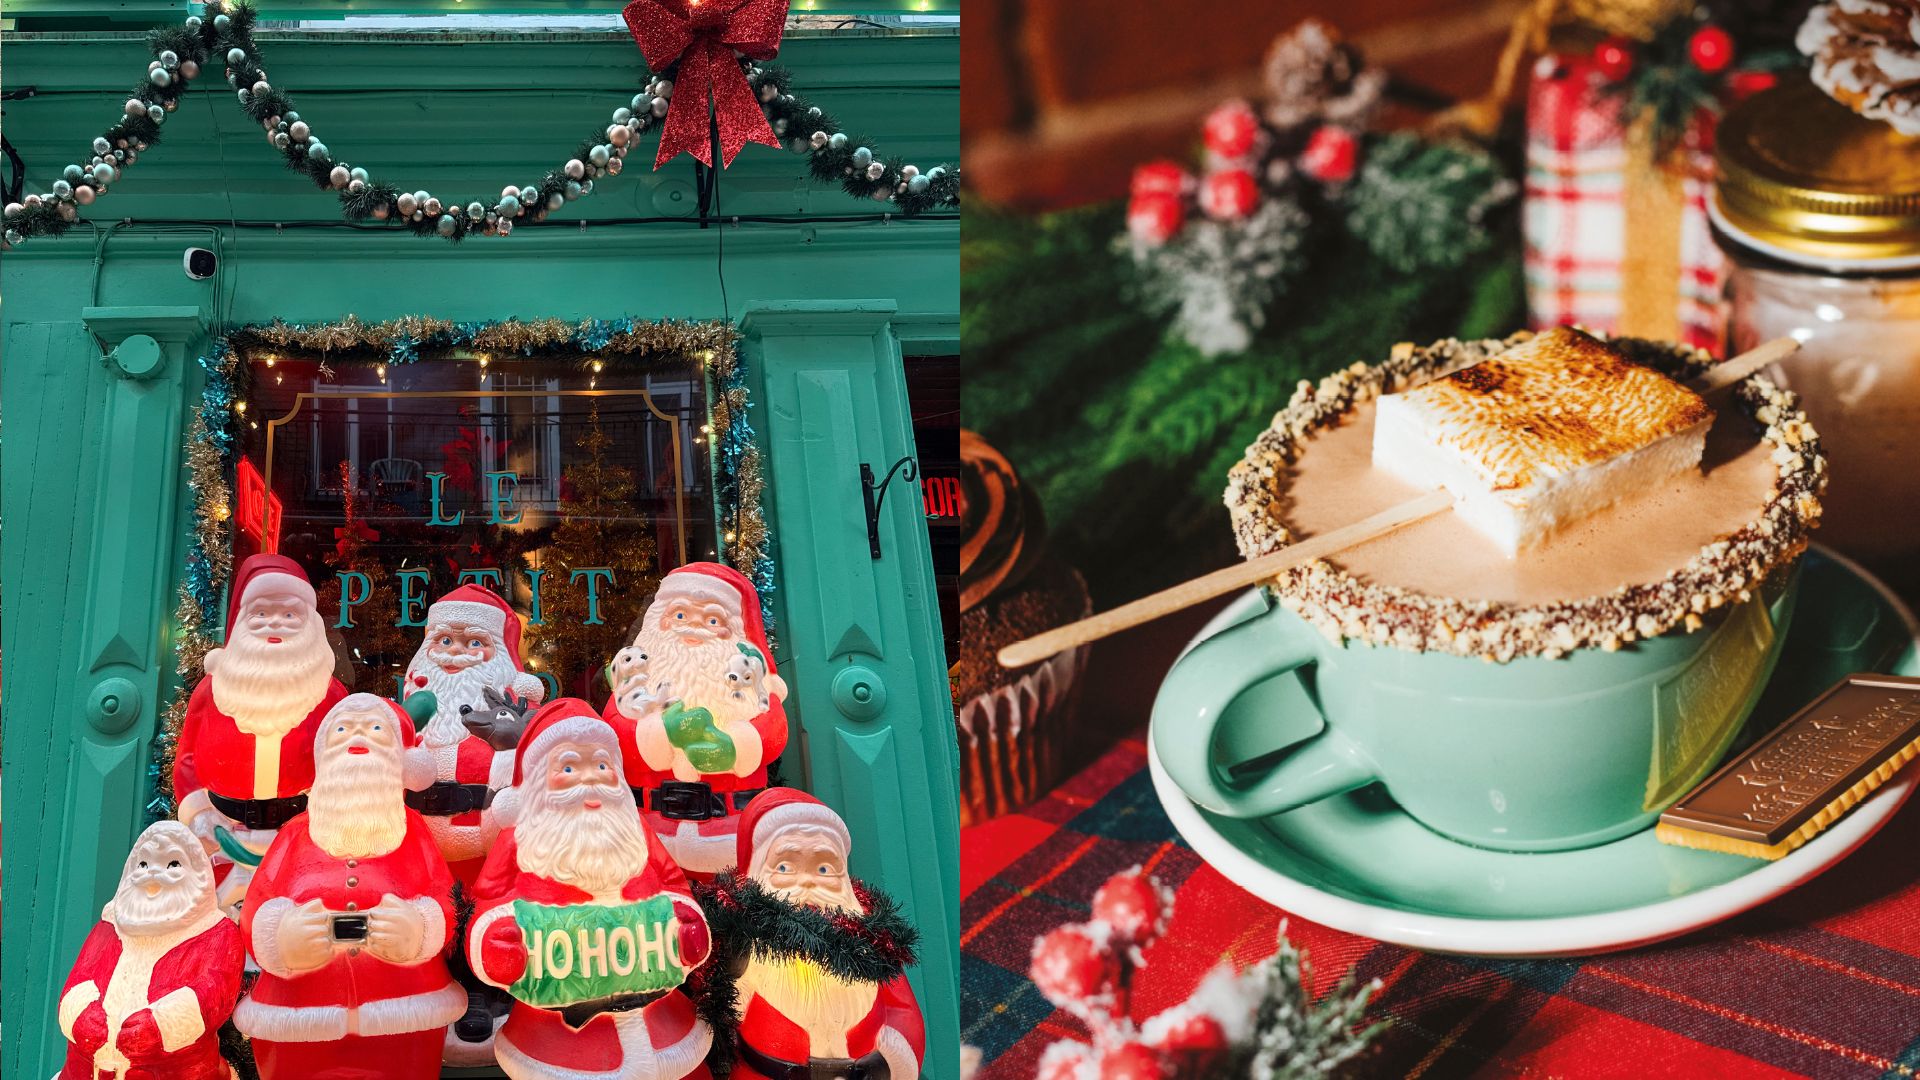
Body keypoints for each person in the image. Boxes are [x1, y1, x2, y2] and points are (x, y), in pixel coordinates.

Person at [469, 698, 715, 1080]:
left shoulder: (636, 832)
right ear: (537, 782)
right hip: (561, 1035)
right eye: (568, 767)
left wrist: (686, 922)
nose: (590, 777)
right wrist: (497, 943)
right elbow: (489, 903)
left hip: (660, 1019)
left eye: (601, 765)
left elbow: (673, 884)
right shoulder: (519, 840)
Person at [234, 693, 465, 1080]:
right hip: (299, 1014)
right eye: (342, 729)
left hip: (404, 1008)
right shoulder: (295, 834)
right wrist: (283, 937)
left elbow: (447, 900)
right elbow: (258, 904)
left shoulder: (414, 831)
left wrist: (419, 929)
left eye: (376, 729)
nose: (357, 736)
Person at [174, 555, 348, 914]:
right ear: (241, 620)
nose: (275, 623)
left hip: (301, 836)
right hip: (223, 833)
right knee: (221, 919)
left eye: (289, 615)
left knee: (292, 921)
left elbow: (342, 760)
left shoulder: (329, 695)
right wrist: (199, 812)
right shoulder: (213, 691)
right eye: (262, 613)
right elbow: (188, 758)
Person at [718, 789, 924, 1080]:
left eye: (824, 868)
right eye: (785, 867)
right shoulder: (746, 946)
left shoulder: (869, 945)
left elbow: (904, 1012)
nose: (808, 882)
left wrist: (892, 1062)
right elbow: (721, 1017)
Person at [601, 563, 788, 875]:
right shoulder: (635, 682)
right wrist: (660, 734)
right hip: (649, 830)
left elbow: (774, 732)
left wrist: (736, 747)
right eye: (679, 615)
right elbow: (613, 730)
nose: (693, 627)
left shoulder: (754, 684)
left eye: (712, 619)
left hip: (729, 831)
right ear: (657, 620)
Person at [55, 821, 245, 1080]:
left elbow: (214, 992)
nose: (153, 873)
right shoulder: (109, 927)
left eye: (173, 865)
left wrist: (161, 1025)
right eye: (143, 864)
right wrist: (81, 1016)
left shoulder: (216, 934)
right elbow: (79, 979)